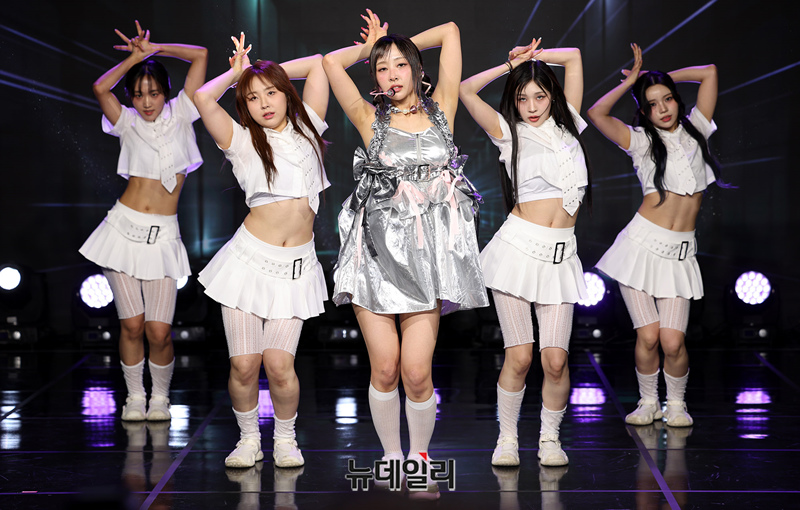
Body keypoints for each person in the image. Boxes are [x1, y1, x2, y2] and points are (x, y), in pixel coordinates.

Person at [322, 10, 487, 489]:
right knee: (386, 367)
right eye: (381, 68)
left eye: (400, 65)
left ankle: (419, 458)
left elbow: (451, 31)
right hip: (374, 256)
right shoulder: (369, 118)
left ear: (416, 68)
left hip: (426, 259)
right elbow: (330, 63)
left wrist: (397, 45)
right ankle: (391, 458)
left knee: (416, 373)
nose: (391, 75)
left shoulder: (443, 110)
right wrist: (370, 47)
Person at [194, 33, 330, 469]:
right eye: (252, 98)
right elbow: (202, 97)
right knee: (244, 366)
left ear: (286, 93)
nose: (264, 103)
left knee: (280, 365)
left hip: (295, 269)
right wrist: (237, 73)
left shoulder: (309, 127)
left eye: (272, 93)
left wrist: (265, 72)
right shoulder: (241, 140)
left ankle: (286, 440)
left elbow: (319, 62)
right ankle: (249, 439)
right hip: (247, 264)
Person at [460, 38, 590, 467]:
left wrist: (536, 58)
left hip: (560, 257)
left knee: (555, 361)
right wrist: (509, 65)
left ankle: (549, 439)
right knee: (519, 356)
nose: (532, 106)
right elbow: (465, 90)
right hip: (517, 252)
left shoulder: (570, 125)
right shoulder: (509, 132)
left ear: (552, 95)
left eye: (540, 96)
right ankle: (508, 438)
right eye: (522, 98)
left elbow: (573, 57)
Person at [587, 43, 721, 427]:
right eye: (652, 103)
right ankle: (648, 402)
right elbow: (596, 114)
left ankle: (676, 403)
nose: (663, 108)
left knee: (672, 341)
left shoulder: (697, 130)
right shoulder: (642, 142)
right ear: (643, 111)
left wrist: (657, 78)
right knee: (648, 337)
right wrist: (634, 82)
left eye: (668, 99)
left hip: (679, 254)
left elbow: (709, 71)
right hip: (640, 249)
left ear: (677, 100)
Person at [80, 21, 207, 422]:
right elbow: (100, 88)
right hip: (122, 231)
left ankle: (160, 398)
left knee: (158, 331)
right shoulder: (127, 121)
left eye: (153, 93)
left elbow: (201, 55)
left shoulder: (183, 112)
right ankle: (135, 397)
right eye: (138, 94)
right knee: (132, 326)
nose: (146, 102)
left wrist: (155, 49)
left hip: (164, 236)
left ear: (166, 92)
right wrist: (134, 59)